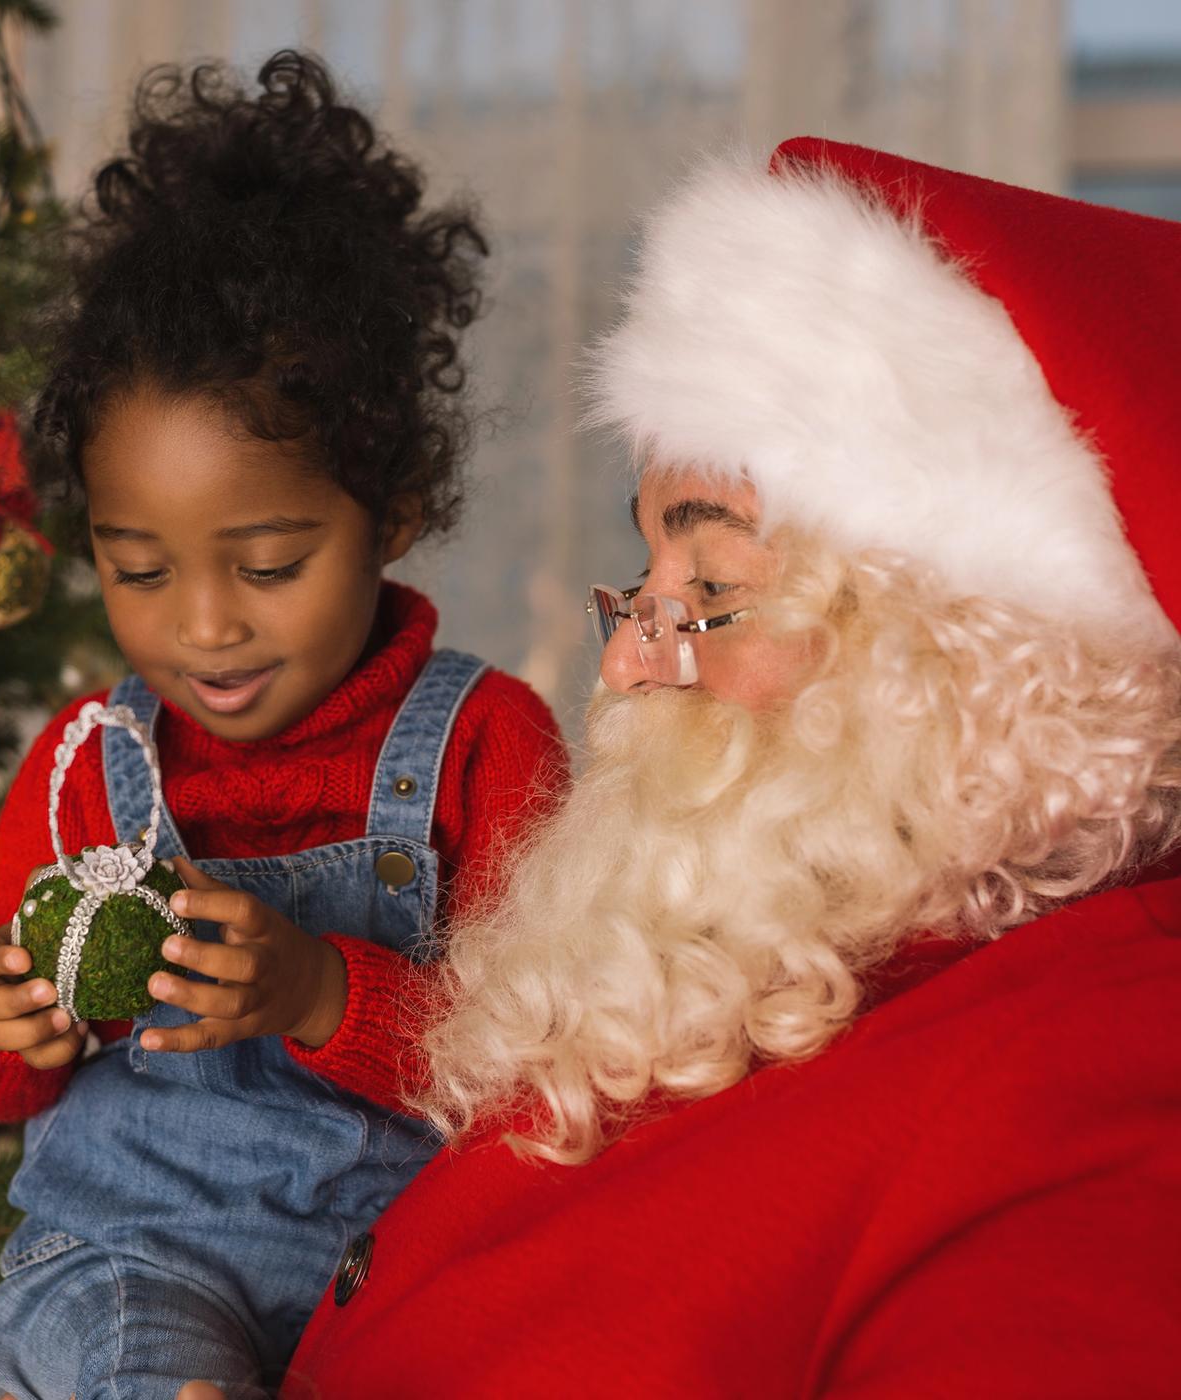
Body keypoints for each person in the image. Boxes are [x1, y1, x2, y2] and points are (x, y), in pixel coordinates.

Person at [254, 139, 1180, 1396]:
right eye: (641, 580)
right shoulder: (763, 970)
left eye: (712, 589)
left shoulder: (1088, 1084)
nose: (629, 662)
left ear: (962, 661)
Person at [0, 52, 566, 1400]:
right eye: (140, 571)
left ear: (386, 515)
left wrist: (327, 991)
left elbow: (545, 1070)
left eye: (267, 566)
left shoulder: (486, 747)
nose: (203, 626)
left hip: (399, 1268)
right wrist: (9, 1021)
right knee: (127, 1348)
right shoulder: (86, 767)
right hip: (131, 1258)